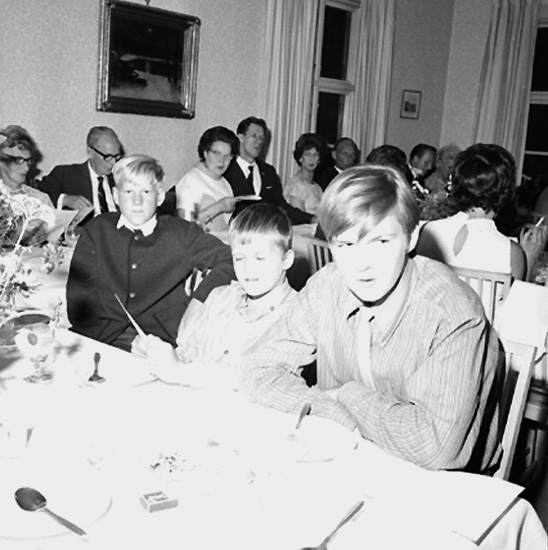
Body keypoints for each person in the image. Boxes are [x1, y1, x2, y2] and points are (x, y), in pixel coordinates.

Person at [239, 164, 500, 472]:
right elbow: (256, 370)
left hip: (442, 480)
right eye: (346, 244)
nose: (361, 264)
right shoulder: (328, 285)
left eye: (381, 242)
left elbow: (432, 447)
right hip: (350, 460)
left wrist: (346, 396)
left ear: (411, 237)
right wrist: (333, 412)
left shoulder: (453, 313)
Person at [67, 154, 235, 351]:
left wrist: (199, 300)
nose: (137, 201)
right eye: (128, 191)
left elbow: (229, 260)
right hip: (102, 336)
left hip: (161, 339)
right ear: (115, 196)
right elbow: (78, 293)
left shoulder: (182, 233)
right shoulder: (97, 229)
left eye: (146, 191)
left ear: (160, 196)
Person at [131, 203, 297, 387]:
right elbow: (186, 353)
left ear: (286, 260)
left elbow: (254, 379)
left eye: (259, 258)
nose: (247, 268)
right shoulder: (220, 297)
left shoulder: (296, 316)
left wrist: (179, 371)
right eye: (239, 258)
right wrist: (155, 354)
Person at [416, 143, 527, 281]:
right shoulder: (511, 252)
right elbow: (516, 295)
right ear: (506, 191)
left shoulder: (428, 232)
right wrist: (529, 258)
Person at [223, 116, 313, 225]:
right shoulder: (226, 170)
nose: (259, 142)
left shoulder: (268, 171)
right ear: (241, 137)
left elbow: (281, 207)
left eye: (261, 138)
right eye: (254, 136)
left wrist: (311, 219)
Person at [38, 126, 124, 224]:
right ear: (90, 152)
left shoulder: (122, 178)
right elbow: (33, 195)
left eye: (117, 156)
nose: (113, 163)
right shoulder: (66, 175)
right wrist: (65, 199)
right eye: (107, 157)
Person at [176, 126, 240, 231]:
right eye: (217, 154)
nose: (222, 161)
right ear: (205, 153)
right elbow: (185, 225)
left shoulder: (225, 183)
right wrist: (219, 207)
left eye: (227, 156)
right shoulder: (191, 180)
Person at [0, 125, 55, 243]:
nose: (26, 168)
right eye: (19, 160)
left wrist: (45, 238)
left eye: (28, 161)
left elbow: (55, 243)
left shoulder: (40, 199)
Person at [283, 133, 324, 215]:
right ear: (300, 158)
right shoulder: (297, 185)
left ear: (319, 159)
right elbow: (299, 219)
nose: (311, 159)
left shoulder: (317, 188)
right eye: (307, 154)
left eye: (315, 155)